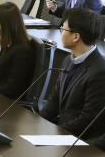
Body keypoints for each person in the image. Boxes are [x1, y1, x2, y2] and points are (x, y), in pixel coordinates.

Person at [40, 8, 105, 141]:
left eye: (63, 29)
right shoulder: (69, 59)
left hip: (81, 141)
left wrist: (55, 134)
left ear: (76, 36)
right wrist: (37, 122)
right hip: (63, 131)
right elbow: (55, 99)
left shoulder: (100, 71)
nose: (61, 32)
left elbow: (88, 119)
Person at [0, 2, 39, 100]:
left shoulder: (23, 50)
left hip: (8, 104)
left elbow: (12, 88)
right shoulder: (5, 43)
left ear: (8, 26)